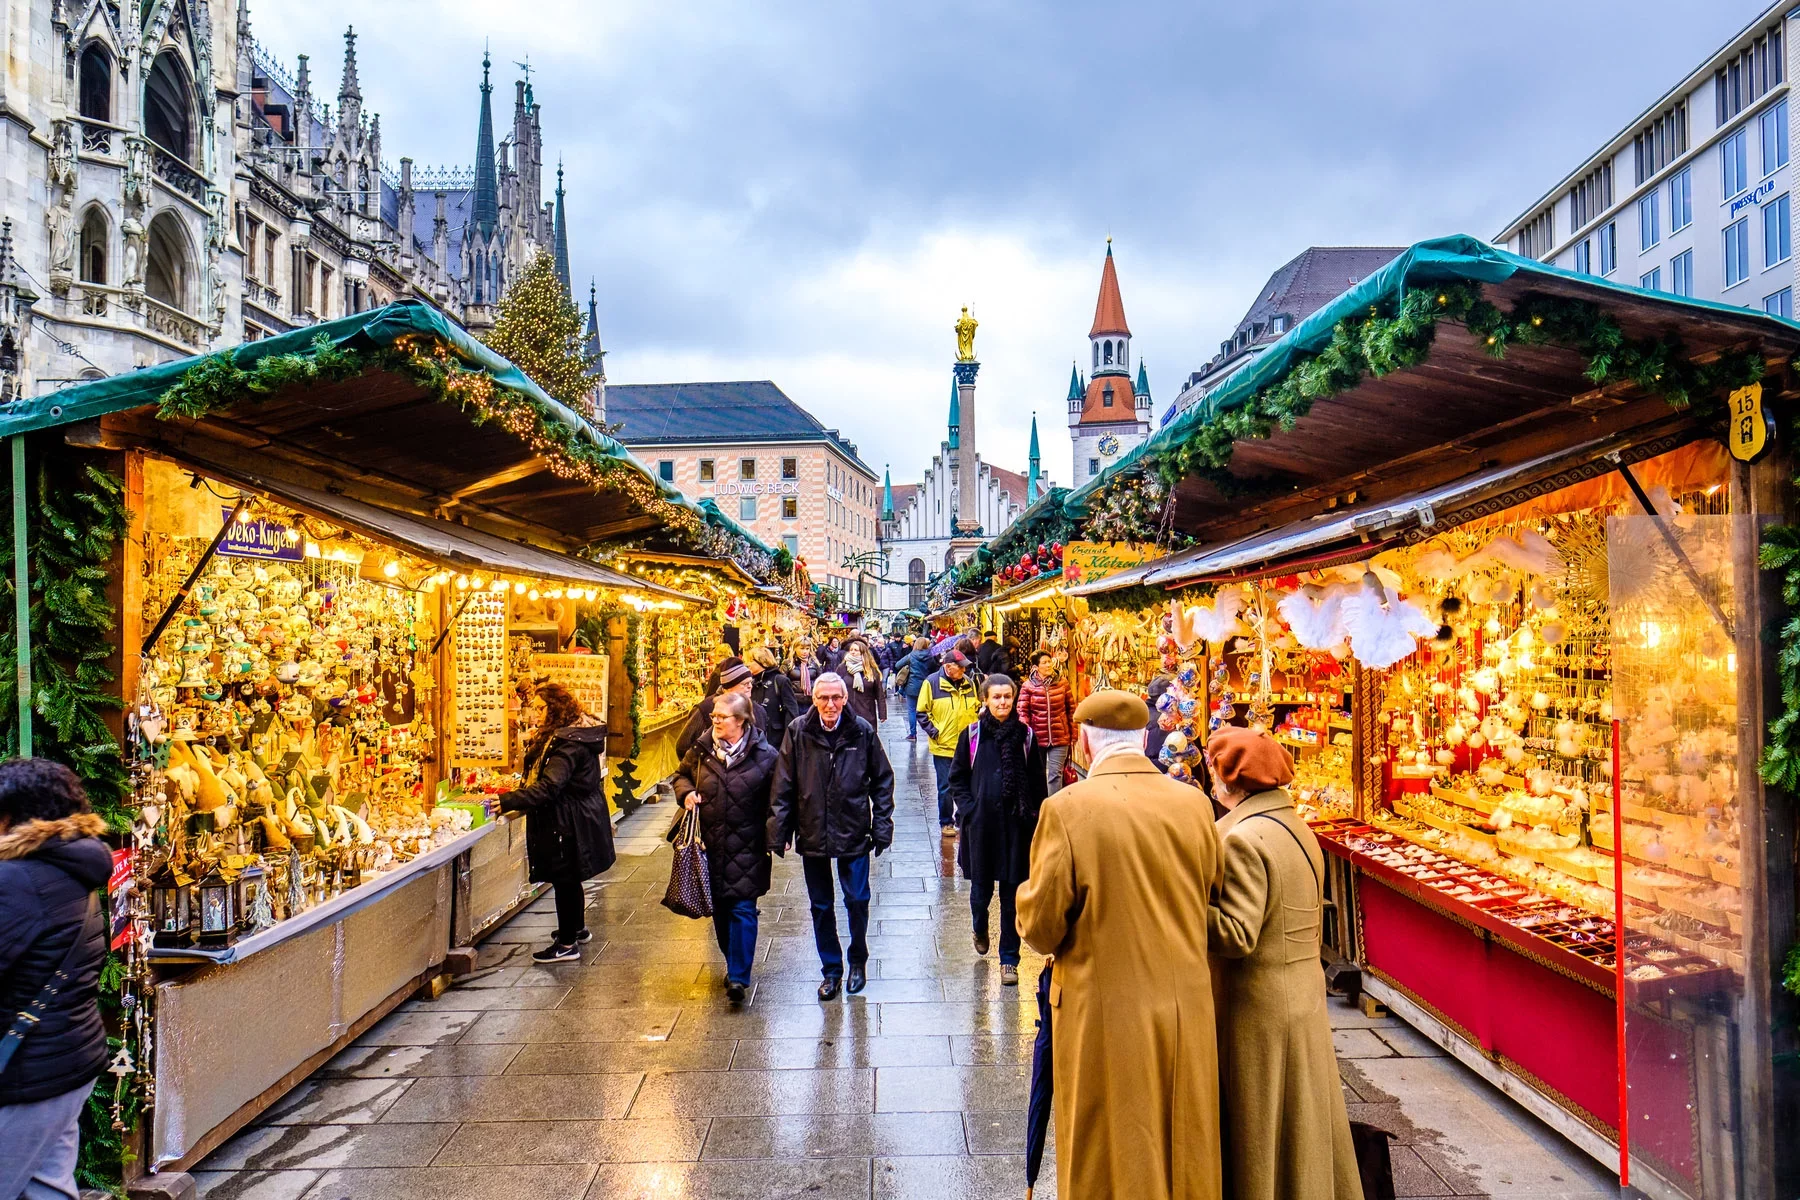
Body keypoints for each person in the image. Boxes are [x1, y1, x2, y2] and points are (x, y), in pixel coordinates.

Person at [1017, 690, 1225, 1200]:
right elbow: (1211, 888)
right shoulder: (1194, 804)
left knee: (1108, 1136)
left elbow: (1042, 927)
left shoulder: (1067, 808)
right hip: (1184, 1000)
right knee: (1184, 1130)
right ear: (1143, 739)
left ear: (1085, 742)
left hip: (1101, 1004)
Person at [1204, 727, 1363, 1200]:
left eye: (1215, 771)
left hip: (1259, 1009)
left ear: (1231, 780)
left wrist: (1183, 904)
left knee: (1263, 1126)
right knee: (1303, 1121)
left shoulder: (1243, 839)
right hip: (1302, 996)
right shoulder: (1296, 827)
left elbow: (1237, 935)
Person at [0, 759, 112, 1200]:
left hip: (27, 1072)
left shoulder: (19, 879)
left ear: (13, 816)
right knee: (46, 1188)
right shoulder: (68, 868)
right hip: (65, 1058)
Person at [767, 673, 895, 1000]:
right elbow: (783, 785)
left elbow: (882, 779)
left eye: (836, 698)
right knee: (821, 905)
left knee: (857, 900)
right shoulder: (798, 731)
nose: (830, 704)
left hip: (852, 828)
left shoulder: (861, 731)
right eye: (823, 698)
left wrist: (882, 825)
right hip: (813, 830)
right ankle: (831, 970)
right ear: (814, 699)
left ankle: (857, 960)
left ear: (845, 698)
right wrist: (778, 830)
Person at [672, 691, 780, 1004]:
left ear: (741, 720)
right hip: (709, 843)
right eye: (714, 716)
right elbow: (679, 775)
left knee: (744, 908)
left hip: (749, 845)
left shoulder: (766, 755)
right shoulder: (702, 749)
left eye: (722, 717)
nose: (715, 721)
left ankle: (738, 977)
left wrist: (779, 832)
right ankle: (734, 963)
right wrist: (686, 793)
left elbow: (780, 797)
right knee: (720, 911)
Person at [499, 682, 617, 962]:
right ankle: (576, 929)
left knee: (564, 877)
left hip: (567, 820)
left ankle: (566, 944)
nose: (535, 714)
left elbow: (551, 786)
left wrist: (507, 801)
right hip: (576, 815)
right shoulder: (573, 736)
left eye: (541, 708)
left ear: (555, 709)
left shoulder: (567, 744)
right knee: (570, 877)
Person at [948, 674, 1046, 986]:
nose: (1002, 702)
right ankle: (979, 926)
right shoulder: (973, 735)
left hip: (1017, 828)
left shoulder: (1026, 736)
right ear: (985, 700)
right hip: (982, 828)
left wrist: (1037, 818)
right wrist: (970, 809)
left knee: (1011, 897)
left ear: (1014, 699)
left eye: (1007, 697)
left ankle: (1009, 960)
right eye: (996, 697)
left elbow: (1037, 783)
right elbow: (958, 777)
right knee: (980, 893)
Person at [915, 649, 980, 835]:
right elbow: (921, 712)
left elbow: (974, 707)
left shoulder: (968, 682)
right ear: (948, 667)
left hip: (967, 745)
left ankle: (963, 817)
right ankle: (946, 822)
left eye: (964, 667)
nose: (964, 671)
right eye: (960, 668)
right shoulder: (932, 683)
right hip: (944, 745)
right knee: (945, 787)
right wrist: (935, 732)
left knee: (968, 784)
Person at [1017, 650, 1074, 794]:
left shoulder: (1062, 683)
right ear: (1036, 667)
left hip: (1060, 735)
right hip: (1037, 737)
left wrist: (1074, 734)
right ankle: (1040, 807)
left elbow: (1071, 709)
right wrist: (1026, 732)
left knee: (1055, 774)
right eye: (1044, 662)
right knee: (1038, 774)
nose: (1048, 665)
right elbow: (1022, 711)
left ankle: (1053, 808)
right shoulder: (1028, 686)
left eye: (1050, 661)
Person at [676, 658, 757, 759]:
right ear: (729, 687)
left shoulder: (757, 709)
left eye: (751, 682)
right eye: (745, 684)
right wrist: (702, 768)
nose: (750, 687)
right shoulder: (706, 708)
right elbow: (683, 746)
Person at [746, 648, 802, 738]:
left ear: (763, 662)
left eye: (751, 660)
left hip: (775, 739)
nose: (748, 664)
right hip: (754, 737)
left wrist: (789, 738)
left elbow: (791, 711)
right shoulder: (751, 682)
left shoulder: (780, 681)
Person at [838, 636, 889, 729]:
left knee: (867, 740)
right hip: (847, 713)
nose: (852, 652)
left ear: (863, 652)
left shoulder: (872, 670)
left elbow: (879, 694)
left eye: (856, 650)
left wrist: (882, 713)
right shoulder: (842, 668)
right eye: (851, 650)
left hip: (867, 712)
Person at [892, 637, 936, 741]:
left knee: (912, 710)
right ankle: (930, 731)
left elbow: (897, 665)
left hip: (912, 686)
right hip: (926, 686)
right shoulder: (930, 656)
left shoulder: (911, 655)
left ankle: (913, 734)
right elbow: (935, 669)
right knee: (928, 710)